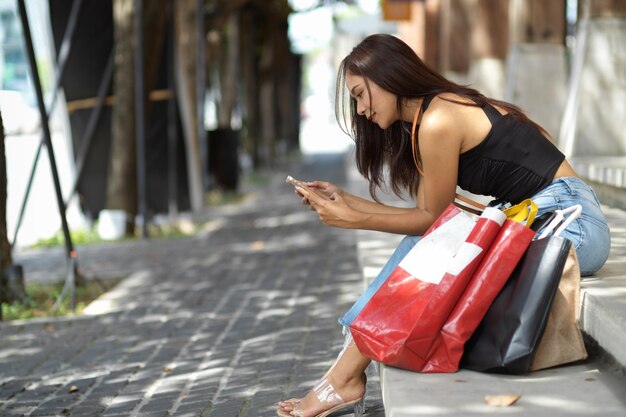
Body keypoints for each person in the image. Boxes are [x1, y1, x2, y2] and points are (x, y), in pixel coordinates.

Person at [277, 33, 611, 417]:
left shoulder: (438, 119)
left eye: (359, 94)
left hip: (571, 226)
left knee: (436, 247)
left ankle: (344, 374)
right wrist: (347, 202)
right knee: (434, 245)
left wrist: (356, 220)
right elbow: (430, 214)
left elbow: (433, 222)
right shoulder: (429, 115)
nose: (360, 109)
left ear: (387, 76)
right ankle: (346, 370)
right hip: (543, 220)